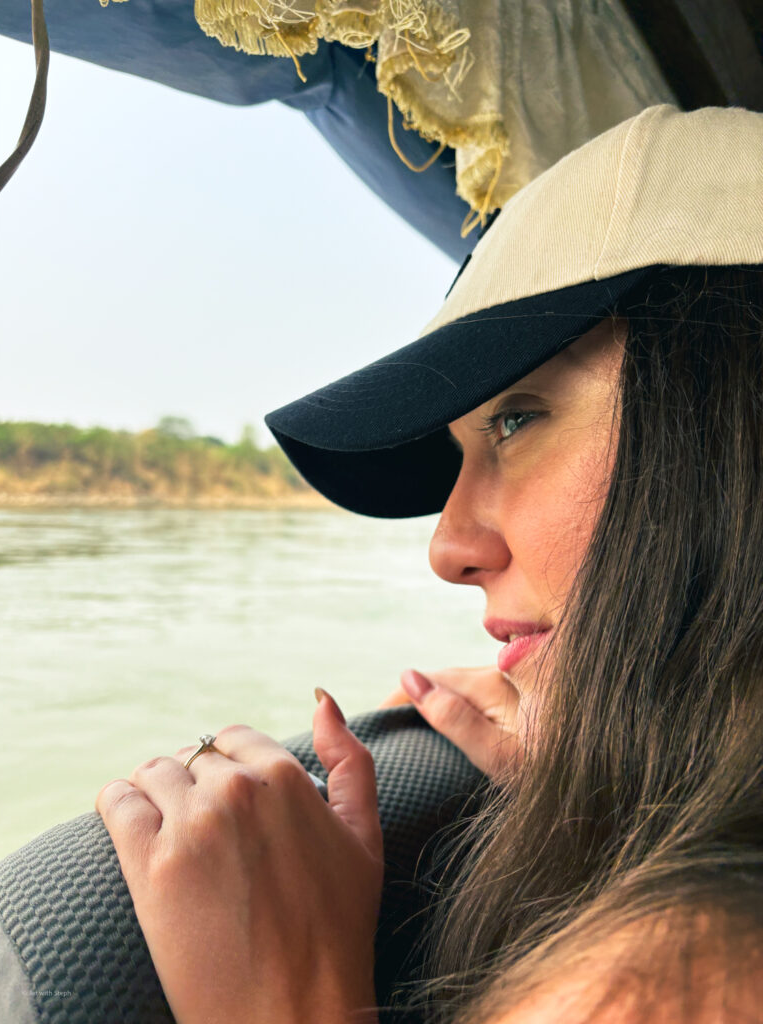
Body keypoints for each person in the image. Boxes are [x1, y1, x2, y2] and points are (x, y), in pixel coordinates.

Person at [95, 104, 763, 1024]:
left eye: (519, 418)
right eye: (462, 451)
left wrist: (291, 1004)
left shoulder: (680, 978)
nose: (448, 548)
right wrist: (620, 799)